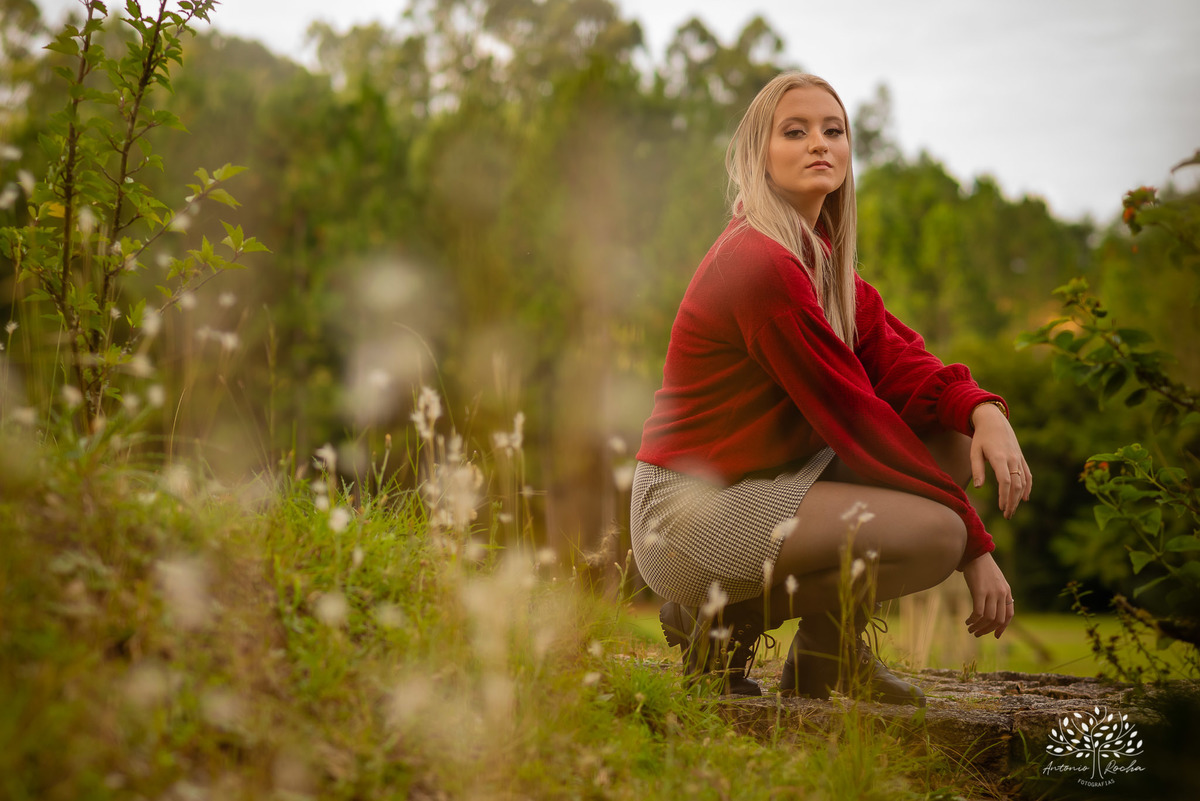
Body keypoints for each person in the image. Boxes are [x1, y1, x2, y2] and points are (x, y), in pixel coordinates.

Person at [630, 72, 1031, 705]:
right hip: (688, 512)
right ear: (759, 155)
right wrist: (975, 546)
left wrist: (981, 409)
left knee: (950, 442)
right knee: (939, 539)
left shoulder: (816, 256)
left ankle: (825, 657)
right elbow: (857, 417)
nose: (819, 143)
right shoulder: (758, 265)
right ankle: (717, 621)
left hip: (763, 478)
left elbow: (898, 359)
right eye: (795, 131)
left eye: (833, 130)